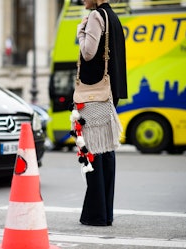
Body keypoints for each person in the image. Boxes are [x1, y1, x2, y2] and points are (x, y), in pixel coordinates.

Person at [76, 0, 127, 226]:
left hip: (94, 93)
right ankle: (105, 212)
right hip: (110, 92)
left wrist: (81, 31)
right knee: (106, 151)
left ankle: (95, 214)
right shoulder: (113, 18)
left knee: (92, 149)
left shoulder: (97, 16)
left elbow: (88, 53)